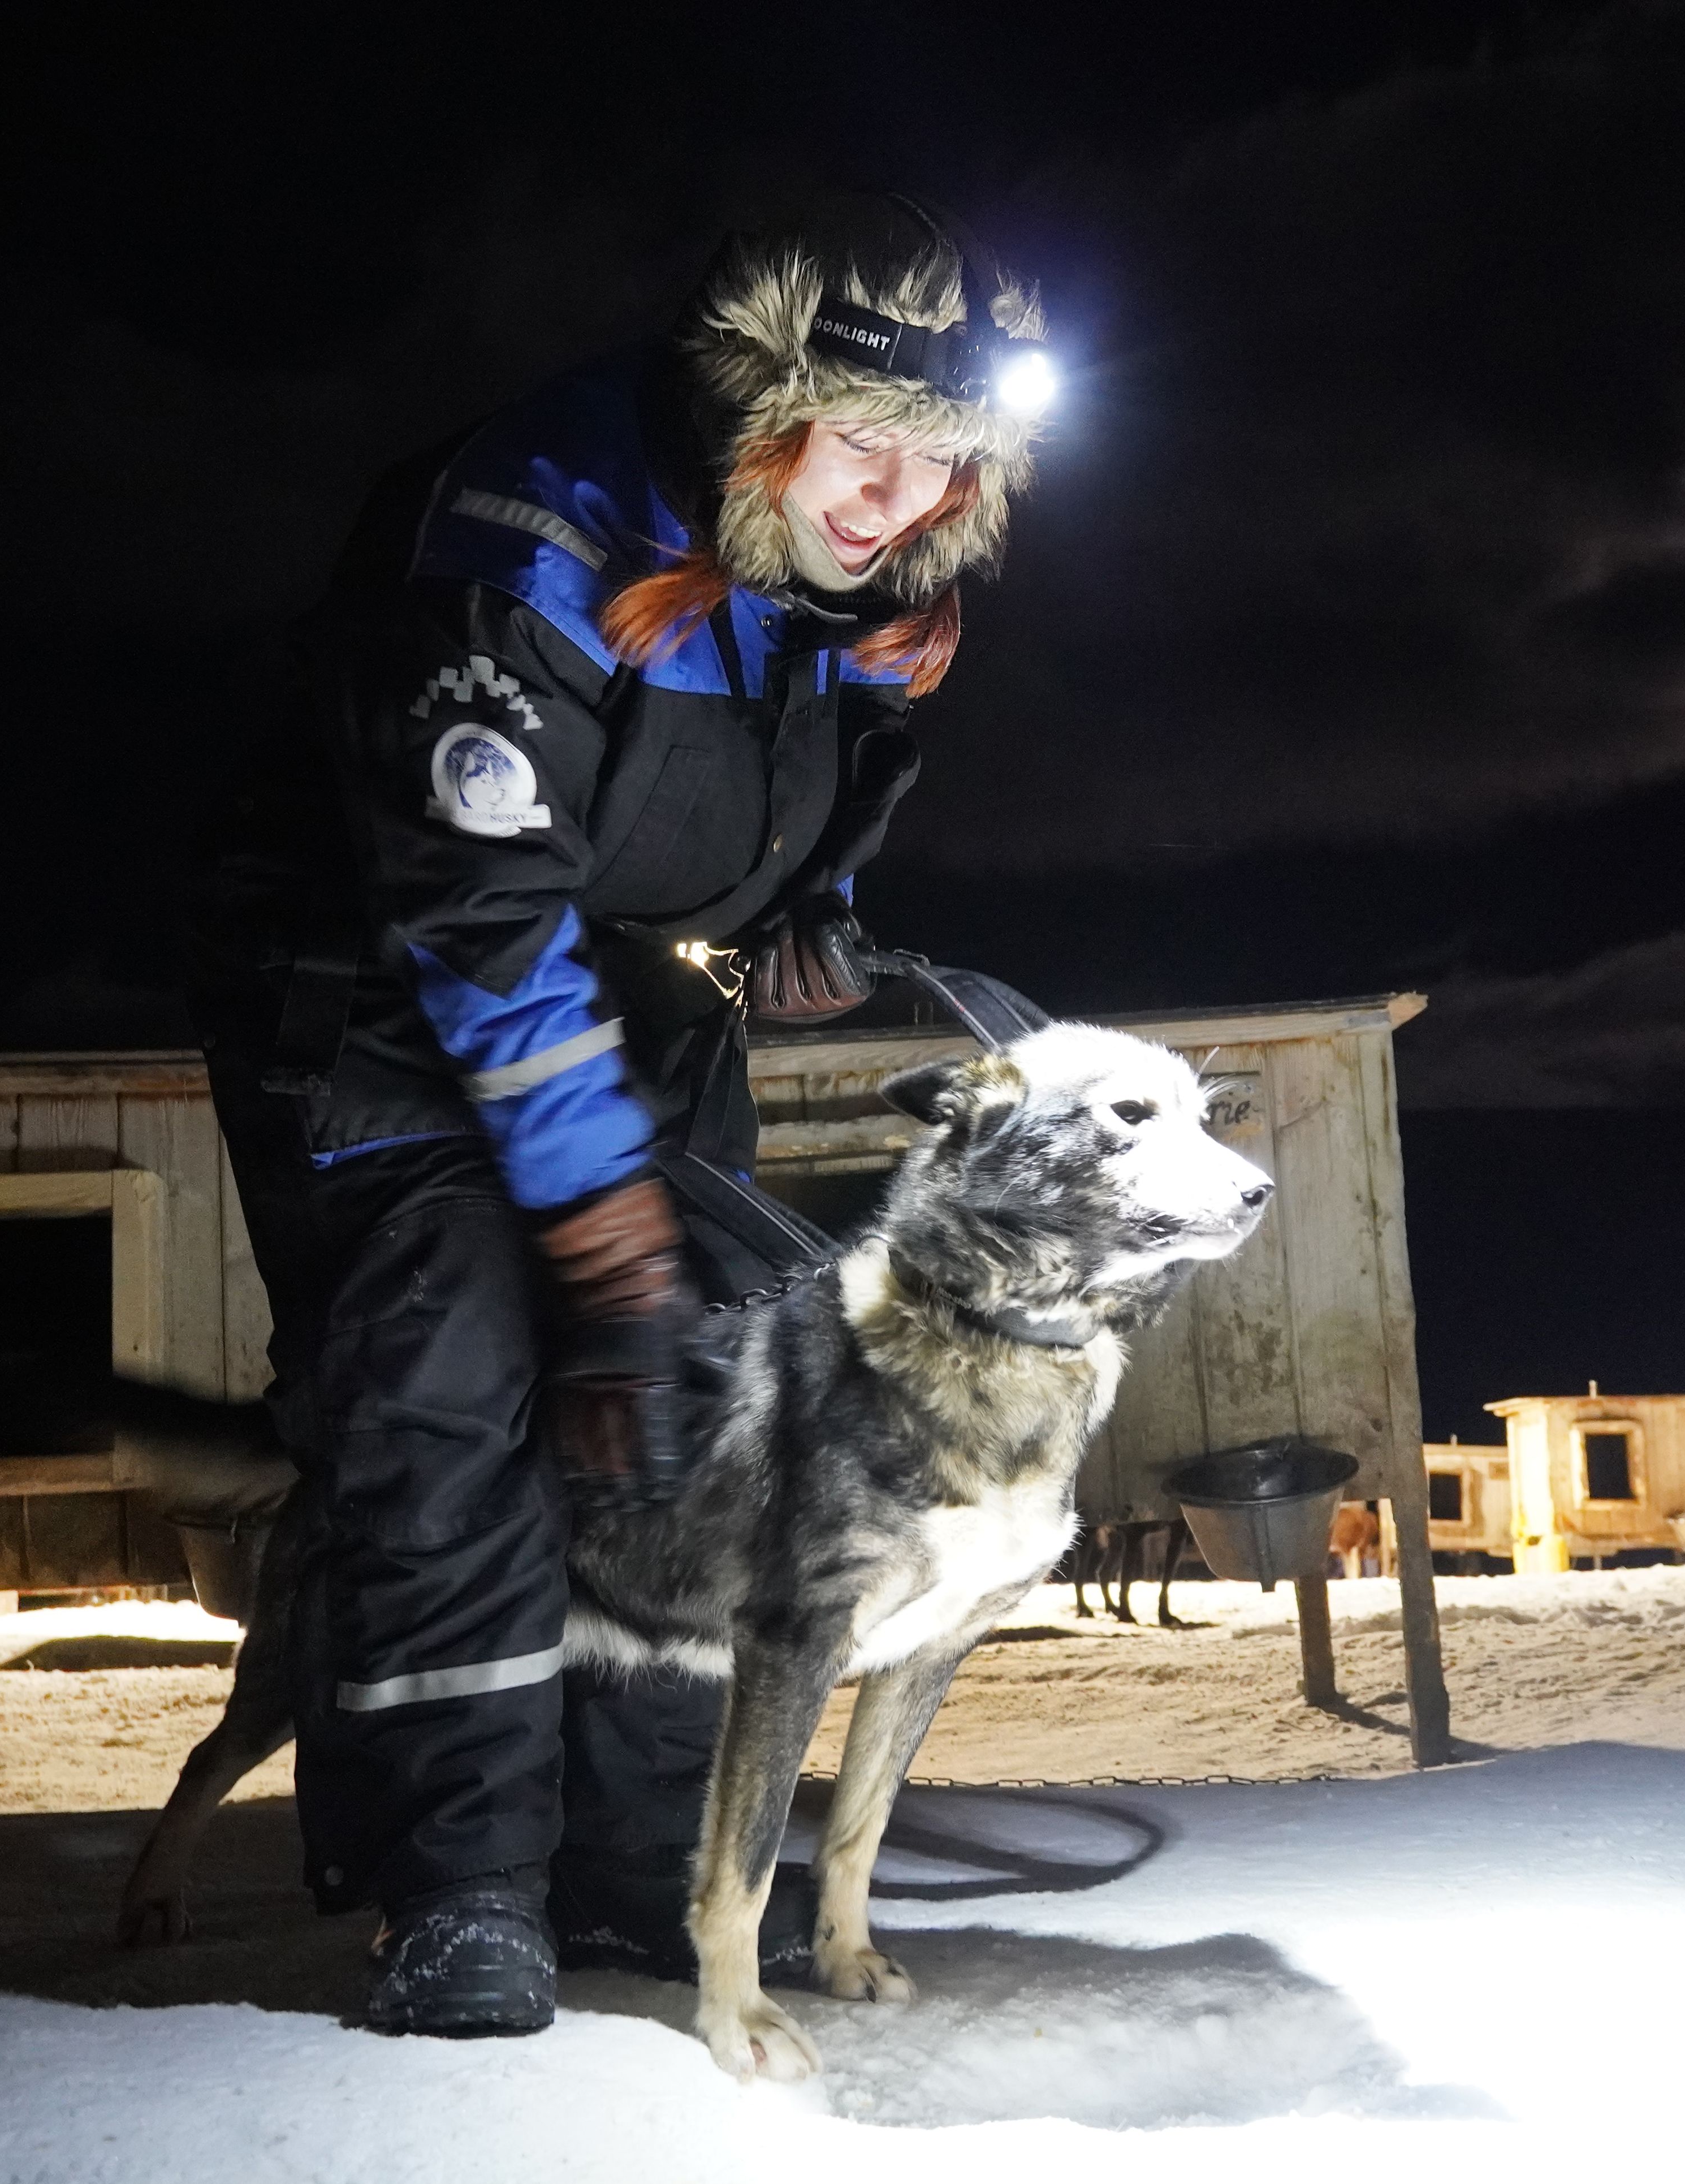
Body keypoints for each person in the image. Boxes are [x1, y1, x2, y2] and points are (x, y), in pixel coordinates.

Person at [187, 196, 1057, 2036]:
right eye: (867, 440)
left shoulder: (860, 571)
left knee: (701, 1400)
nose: (901, 497)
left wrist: (807, 913)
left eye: (944, 461)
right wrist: (601, 1236)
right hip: (389, 993)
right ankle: (462, 1893)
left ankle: (644, 1869)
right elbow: (479, 910)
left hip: (633, 1000)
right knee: (454, 1399)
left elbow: (814, 775)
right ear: (763, 397)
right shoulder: (541, 523)